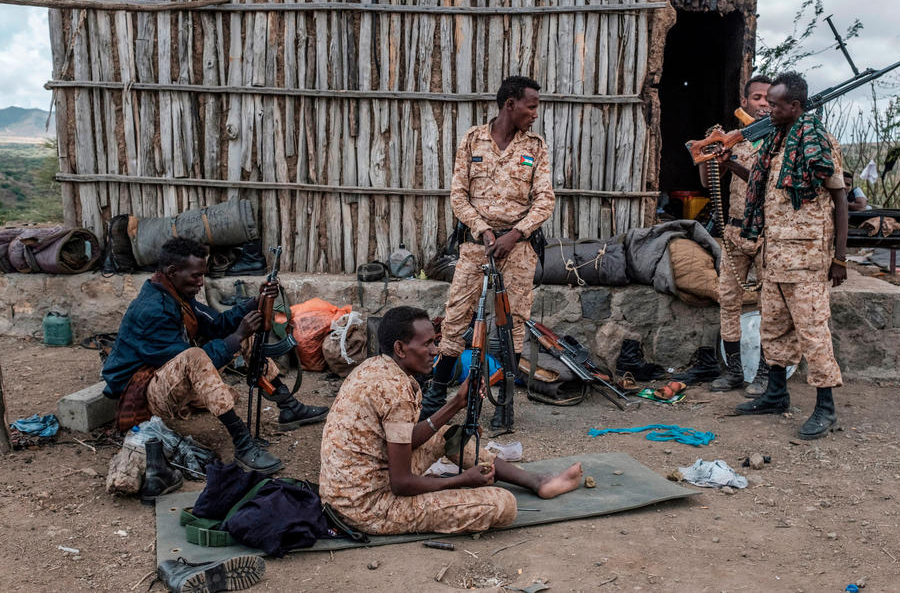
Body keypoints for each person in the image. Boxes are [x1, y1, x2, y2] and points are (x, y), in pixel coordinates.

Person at [318, 306, 582, 535]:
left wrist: (457, 402)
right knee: (503, 504)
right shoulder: (395, 391)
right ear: (400, 348)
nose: (435, 351)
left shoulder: (375, 367)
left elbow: (405, 438)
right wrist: (461, 481)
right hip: (369, 507)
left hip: (345, 494)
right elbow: (401, 484)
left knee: (446, 435)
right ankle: (503, 487)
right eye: (427, 344)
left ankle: (538, 482)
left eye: (435, 342)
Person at [102, 237, 329, 474]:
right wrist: (238, 335)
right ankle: (242, 443)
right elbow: (188, 360)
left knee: (242, 331)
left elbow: (218, 324)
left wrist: (256, 302)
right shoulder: (152, 310)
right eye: (196, 276)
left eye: (203, 275)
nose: (201, 282)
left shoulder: (176, 294)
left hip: (163, 374)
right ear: (172, 272)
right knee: (199, 355)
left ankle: (287, 405)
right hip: (140, 390)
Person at [420, 76, 555, 427]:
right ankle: (434, 398)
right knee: (455, 319)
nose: (535, 113)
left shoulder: (536, 147)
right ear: (510, 104)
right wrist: (482, 231)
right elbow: (458, 196)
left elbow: (545, 200)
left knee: (512, 324)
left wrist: (515, 234)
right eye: (531, 105)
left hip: (519, 250)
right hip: (476, 247)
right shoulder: (471, 140)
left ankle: (505, 405)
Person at [731, 72, 848, 440]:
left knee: (813, 333)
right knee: (774, 328)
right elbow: (761, 183)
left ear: (795, 107)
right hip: (776, 255)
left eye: (777, 104)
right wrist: (728, 161)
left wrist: (840, 258)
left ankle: (825, 407)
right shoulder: (776, 143)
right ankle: (776, 394)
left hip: (808, 257)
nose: (769, 109)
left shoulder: (818, 142)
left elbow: (841, 199)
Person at [672, 75, 772, 395]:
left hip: (769, 232)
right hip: (735, 228)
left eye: (769, 98)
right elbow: (706, 181)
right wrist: (711, 153)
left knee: (771, 303)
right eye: (757, 97)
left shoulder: (779, 139)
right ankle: (733, 371)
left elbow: (766, 183)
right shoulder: (735, 138)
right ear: (744, 102)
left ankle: (766, 373)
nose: (764, 103)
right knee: (728, 299)